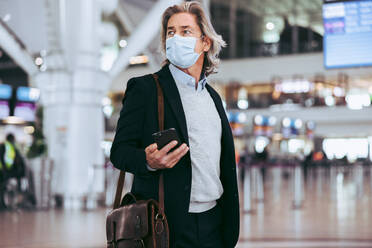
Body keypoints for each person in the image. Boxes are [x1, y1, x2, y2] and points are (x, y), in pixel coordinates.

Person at [110, 2, 240, 247]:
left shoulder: (213, 98)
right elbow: (119, 152)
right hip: (166, 224)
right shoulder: (145, 89)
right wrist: (147, 162)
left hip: (215, 223)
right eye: (171, 32)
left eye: (185, 31)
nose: (175, 38)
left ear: (205, 42)